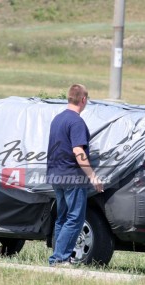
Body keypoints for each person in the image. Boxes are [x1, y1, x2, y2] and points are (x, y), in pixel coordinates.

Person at [46, 84, 104, 267]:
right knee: (75, 218)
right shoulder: (77, 122)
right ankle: (60, 258)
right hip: (73, 176)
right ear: (83, 100)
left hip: (56, 175)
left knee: (62, 218)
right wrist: (93, 177)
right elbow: (78, 150)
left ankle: (58, 256)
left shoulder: (57, 119)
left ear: (69, 97)